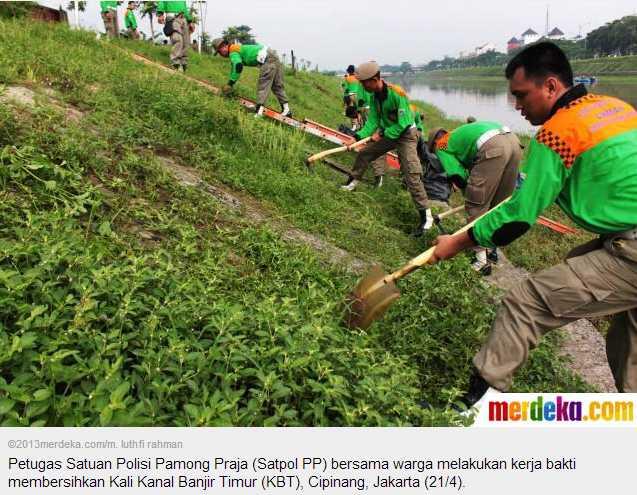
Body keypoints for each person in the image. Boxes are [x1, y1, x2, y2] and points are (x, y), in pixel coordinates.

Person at [429, 42, 637, 412]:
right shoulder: (615, 108)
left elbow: (520, 217)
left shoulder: (557, 133)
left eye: (522, 95)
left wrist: (458, 242)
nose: (517, 106)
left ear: (552, 87)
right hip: (623, 234)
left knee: (525, 302)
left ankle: (476, 406)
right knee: (628, 345)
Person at [341, 61, 433, 235]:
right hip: (389, 132)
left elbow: (404, 123)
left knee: (411, 172)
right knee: (365, 153)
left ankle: (426, 217)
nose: (362, 86)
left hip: (406, 134)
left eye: (365, 82)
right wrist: (356, 137)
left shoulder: (397, 93)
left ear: (376, 79)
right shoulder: (373, 96)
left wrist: (382, 132)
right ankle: (352, 182)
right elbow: (373, 121)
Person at [427, 120, 522, 273]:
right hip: (514, 143)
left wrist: (471, 195)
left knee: (476, 206)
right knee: (497, 206)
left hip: (493, 147)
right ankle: (491, 251)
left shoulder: (442, 144)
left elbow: (457, 176)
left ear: (434, 143)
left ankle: (481, 261)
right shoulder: (458, 135)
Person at [212, 38, 292, 119]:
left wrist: (230, 84)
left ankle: (259, 112)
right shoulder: (235, 49)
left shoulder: (233, 51)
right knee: (276, 85)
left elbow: (238, 66)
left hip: (267, 58)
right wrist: (230, 82)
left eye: (219, 51)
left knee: (263, 85)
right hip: (272, 54)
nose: (220, 54)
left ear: (223, 46)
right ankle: (286, 110)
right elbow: (234, 69)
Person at [157, 1, 193, 72]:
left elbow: (184, 7)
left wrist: (190, 21)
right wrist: (160, 14)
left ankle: (183, 64)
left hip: (184, 19)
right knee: (177, 39)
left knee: (186, 42)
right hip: (173, 18)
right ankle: (176, 63)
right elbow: (162, 2)